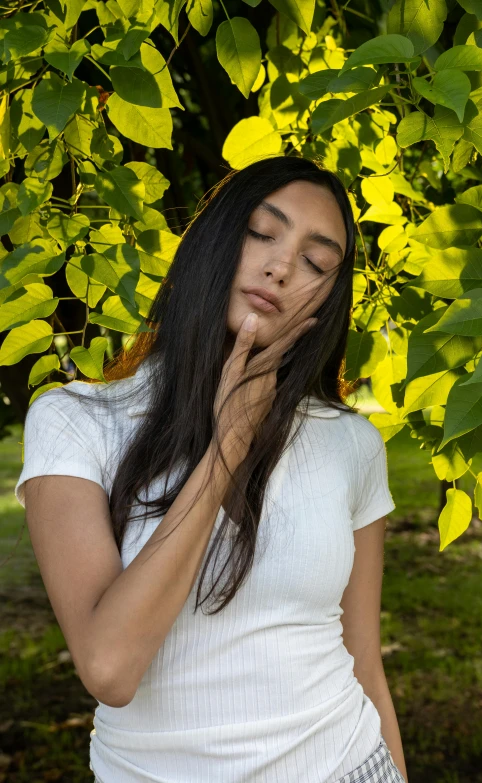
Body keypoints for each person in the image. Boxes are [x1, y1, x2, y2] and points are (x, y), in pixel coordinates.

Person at [14, 155, 407, 783]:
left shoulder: (351, 443)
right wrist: (228, 444)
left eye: (316, 262)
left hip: (345, 764)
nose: (281, 267)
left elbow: (364, 659)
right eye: (261, 232)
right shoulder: (76, 422)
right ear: (214, 238)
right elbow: (110, 669)